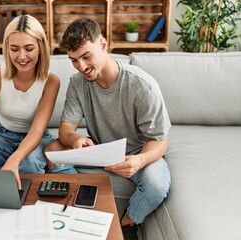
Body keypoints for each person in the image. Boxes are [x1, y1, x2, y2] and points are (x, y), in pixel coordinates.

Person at [44, 18, 171, 240]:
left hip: (137, 154)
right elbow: (65, 130)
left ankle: (128, 222)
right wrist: (75, 140)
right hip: (100, 152)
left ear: (102, 44)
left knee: (156, 185)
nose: (81, 67)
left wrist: (139, 161)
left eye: (86, 56)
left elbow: (160, 141)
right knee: (52, 151)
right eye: (74, 60)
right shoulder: (77, 83)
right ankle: (78, 210)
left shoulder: (142, 85)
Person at [0, 14, 76, 190]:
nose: (22, 56)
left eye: (29, 48)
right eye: (14, 49)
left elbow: (37, 130)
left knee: (29, 164)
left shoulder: (51, 82)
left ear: (40, 47)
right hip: (2, 135)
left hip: (35, 137)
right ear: (7, 48)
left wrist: (14, 159)